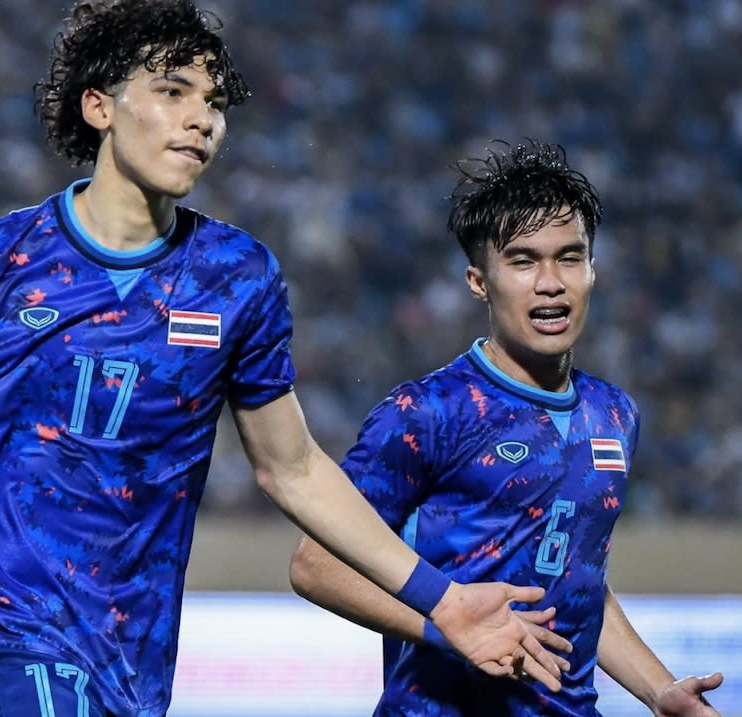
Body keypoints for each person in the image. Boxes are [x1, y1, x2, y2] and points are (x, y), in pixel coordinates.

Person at [0, 4, 567, 716]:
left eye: (213, 102)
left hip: (131, 667)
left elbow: (294, 470)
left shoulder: (237, 278)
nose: (200, 119)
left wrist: (445, 597)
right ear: (100, 106)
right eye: (173, 93)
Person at [289, 139, 725, 717]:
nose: (551, 282)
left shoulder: (615, 414)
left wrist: (658, 691)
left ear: (593, 270)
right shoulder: (429, 411)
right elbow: (316, 566)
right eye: (523, 261)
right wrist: (451, 627)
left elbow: (579, 573)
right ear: (478, 281)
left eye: (570, 257)